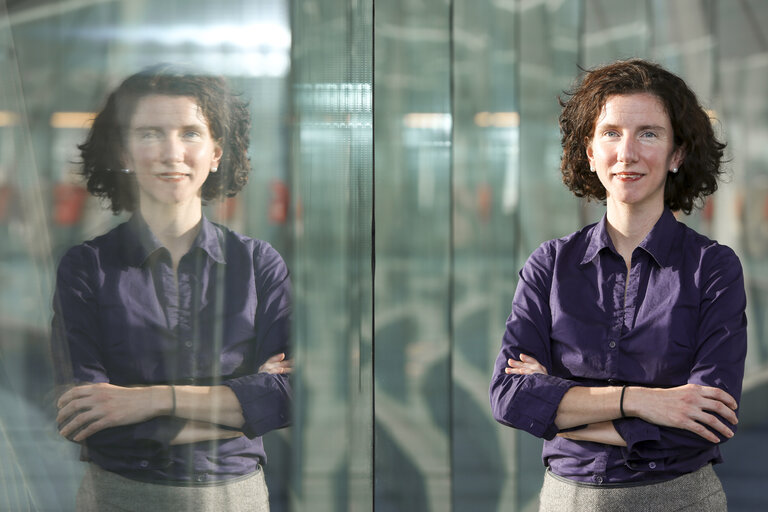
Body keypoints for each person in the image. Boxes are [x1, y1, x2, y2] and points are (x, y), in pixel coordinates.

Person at [489, 58, 747, 511]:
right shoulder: (549, 265)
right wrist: (644, 401)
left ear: (677, 154)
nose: (627, 153)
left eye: (648, 133)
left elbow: (704, 419)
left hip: (681, 501)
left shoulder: (713, 268)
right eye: (611, 133)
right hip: (567, 501)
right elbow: (510, 398)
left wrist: (557, 411)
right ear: (589, 152)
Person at [50, 66, 292, 511]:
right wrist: (241, 410)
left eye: (190, 133)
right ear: (124, 150)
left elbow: (285, 399)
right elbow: (88, 417)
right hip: (120, 498)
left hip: (235, 499)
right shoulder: (87, 267)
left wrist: (148, 400)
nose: (171, 152)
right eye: (149, 134)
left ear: (216, 151)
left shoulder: (258, 264)